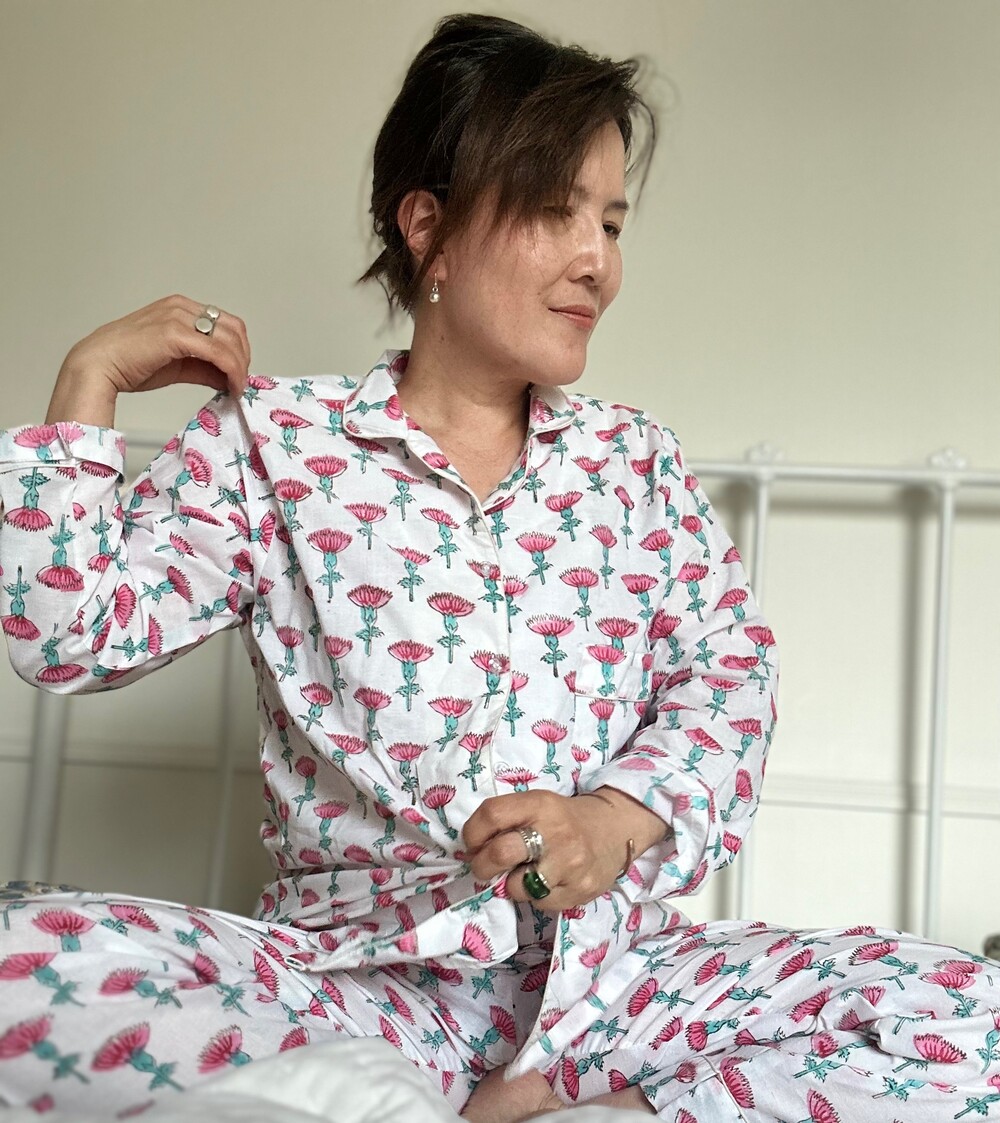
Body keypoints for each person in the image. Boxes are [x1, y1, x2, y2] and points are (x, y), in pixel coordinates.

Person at [0, 12, 997, 1122]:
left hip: (615, 988)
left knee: (974, 1014)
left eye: (610, 221)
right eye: (556, 210)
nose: (597, 261)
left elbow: (729, 680)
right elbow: (67, 639)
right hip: (357, 981)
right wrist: (88, 380)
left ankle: (571, 1099)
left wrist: (611, 821)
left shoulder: (634, 463)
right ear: (428, 225)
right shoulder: (275, 446)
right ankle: (412, 1090)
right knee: (20, 959)